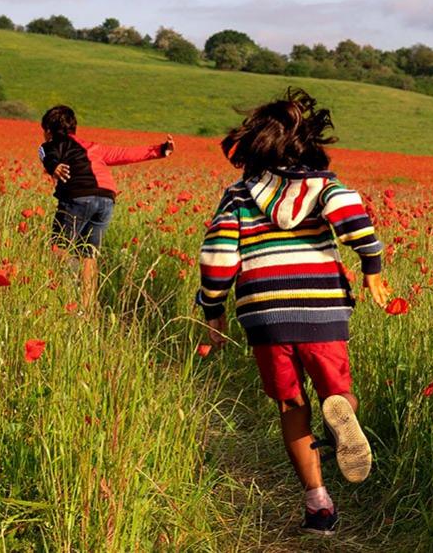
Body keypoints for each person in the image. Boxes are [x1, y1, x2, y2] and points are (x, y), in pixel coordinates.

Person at [195, 87, 390, 537]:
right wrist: (371, 267)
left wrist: (213, 309)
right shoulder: (324, 187)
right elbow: (351, 214)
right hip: (322, 310)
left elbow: (219, 253)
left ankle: (318, 504)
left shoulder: (239, 195)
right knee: (336, 392)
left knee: (290, 403)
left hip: (265, 313)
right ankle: (340, 414)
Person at [38, 104, 174, 308]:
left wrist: (54, 167)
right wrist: (160, 150)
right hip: (106, 199)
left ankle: (69, 293)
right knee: (89, 255)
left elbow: (49, 155)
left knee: (59, 248)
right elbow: (125, 153)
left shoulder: (51, 144)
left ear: (48, 130)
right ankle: (87, 306)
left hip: (79, 196)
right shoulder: (93, 147)